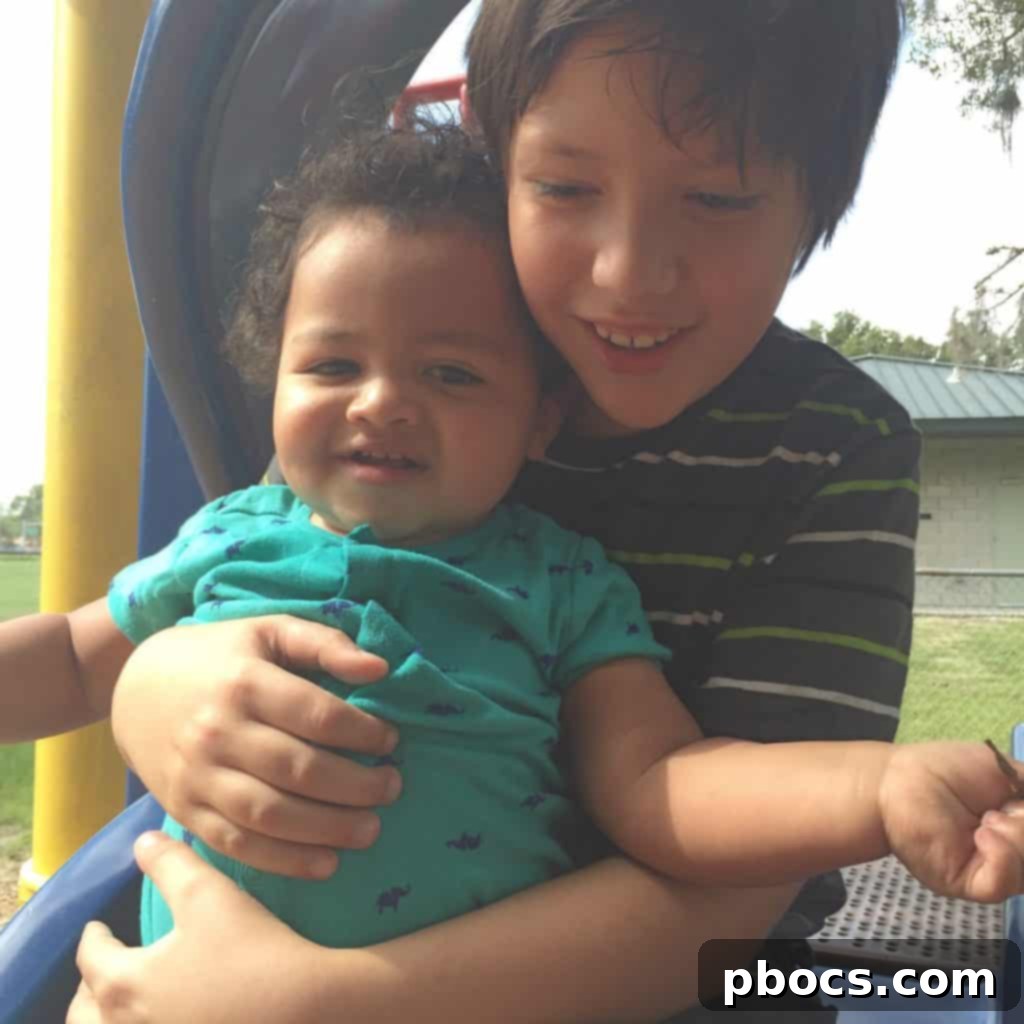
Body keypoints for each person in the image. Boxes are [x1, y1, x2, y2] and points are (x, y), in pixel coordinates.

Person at [31, 1, 1021, 1021]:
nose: (628, 271)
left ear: (820, 202)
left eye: (718, 198)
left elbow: (718, 877)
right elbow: (149, 624)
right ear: (494, 162)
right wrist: (155, 680)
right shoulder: (407, 354)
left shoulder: (830, 447)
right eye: (564, 186)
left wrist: (331, 1001)